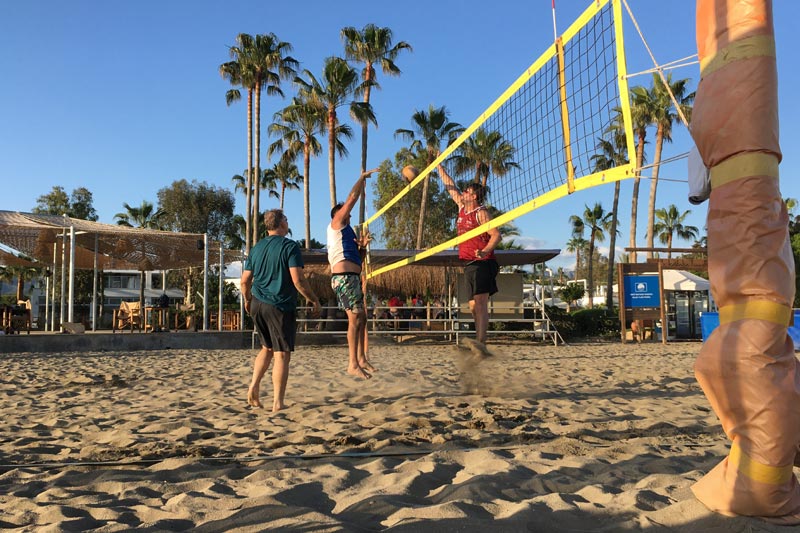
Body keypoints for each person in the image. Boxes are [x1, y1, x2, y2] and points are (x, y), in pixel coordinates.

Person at [241, 209, 320, 412]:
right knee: (282, 353)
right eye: (285, 218)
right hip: (279, 305)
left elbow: (244, 280)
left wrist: (247, 300)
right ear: (281, 224)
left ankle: (253, 386)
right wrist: (313, 300)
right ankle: (278, 403)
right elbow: (298, 280)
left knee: (266, 348)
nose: (287, 221)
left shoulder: (256, 248)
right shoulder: (289, 246)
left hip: (258, 303)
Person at [437, 160, 501, 348]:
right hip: (469, 263)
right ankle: (479, 338)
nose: (462, 193)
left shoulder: (481, 213)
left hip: (484, 262)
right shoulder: (462, 207)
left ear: (474, 196)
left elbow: (497, 235)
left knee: (480, 303)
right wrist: (439, 166)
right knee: (473, 306)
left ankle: (481, 342)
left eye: (466, 191)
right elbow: (450, 186)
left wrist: (484, 251)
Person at [327, 169, 377, 379]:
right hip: (344, 278)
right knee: (355, 318)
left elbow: (358, 260)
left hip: (352, 277)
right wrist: (361, 178)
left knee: (362, 318)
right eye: (344, 211)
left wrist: (363, 248)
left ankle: (361, 358)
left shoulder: (349, 233)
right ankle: (352, 364)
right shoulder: (336, 224)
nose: (348, 213)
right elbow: (352, 198)